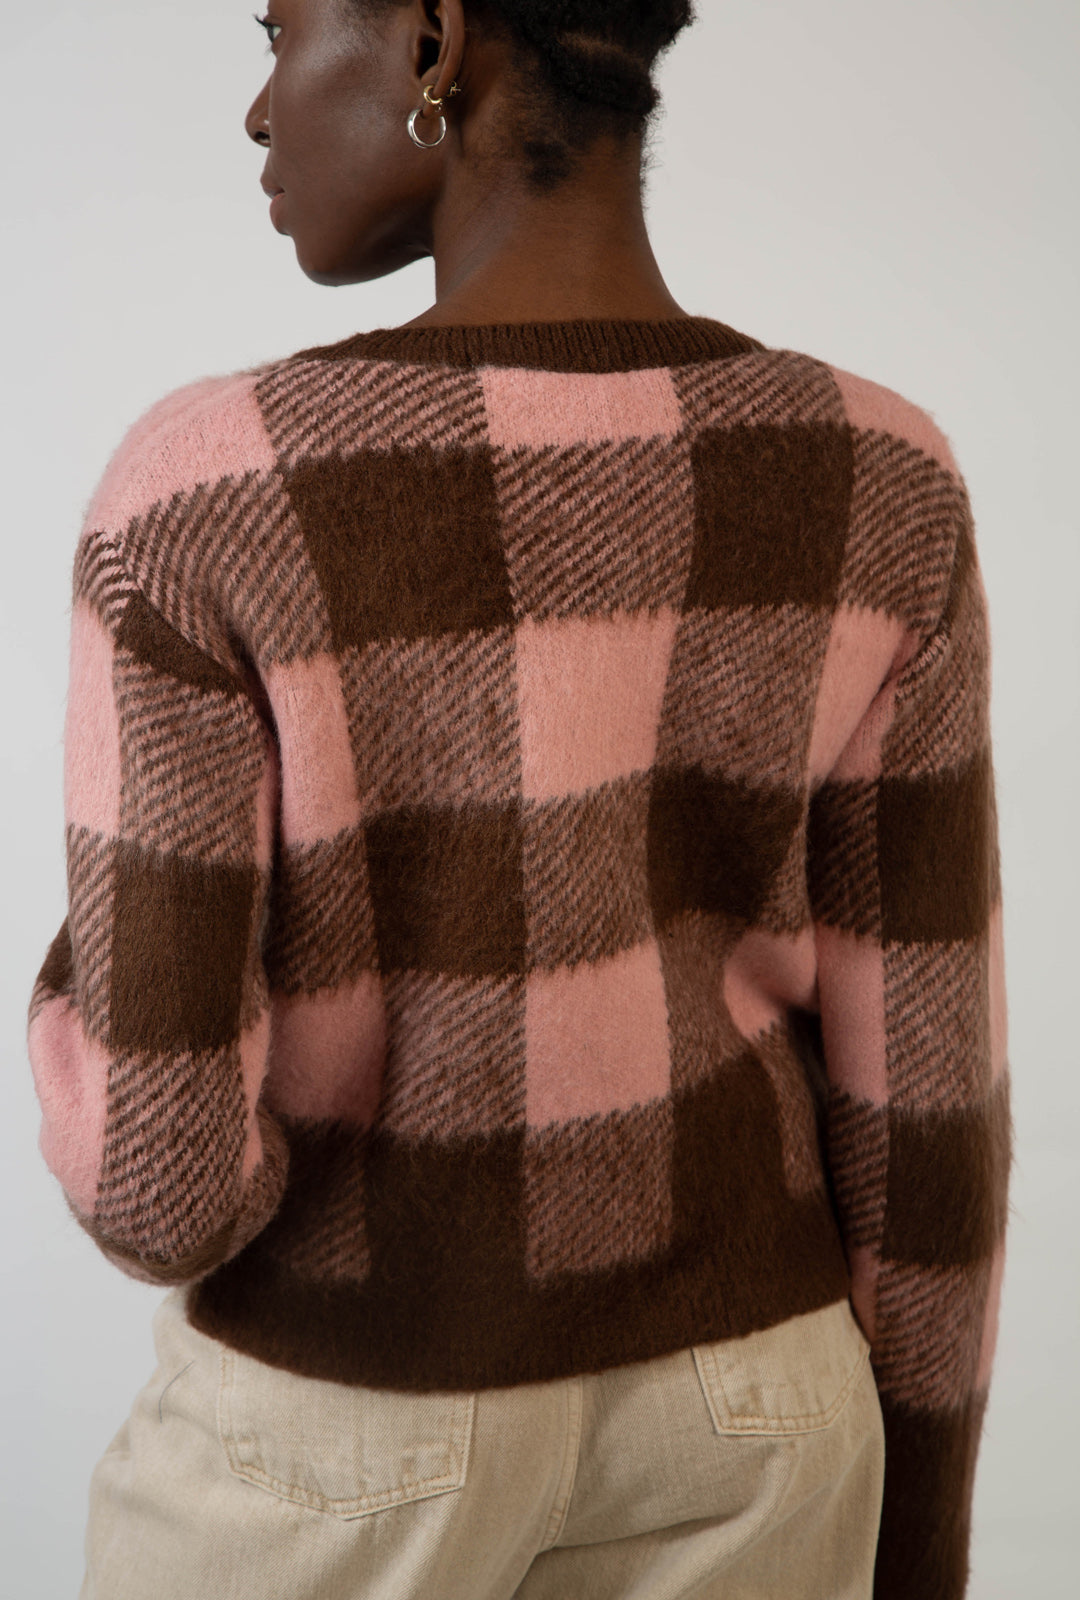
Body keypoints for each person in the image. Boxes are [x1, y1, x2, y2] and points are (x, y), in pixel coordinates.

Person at [26, 3, 1013, 1597]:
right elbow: (930, 1096)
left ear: (434, 38)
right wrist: (922, 1538)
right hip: (759, 1418)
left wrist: (97, 975)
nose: (261, 110)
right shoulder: (882, 478)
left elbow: (160, 1189)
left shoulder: (207, 494)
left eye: (279, 29)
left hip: (345, 1435)